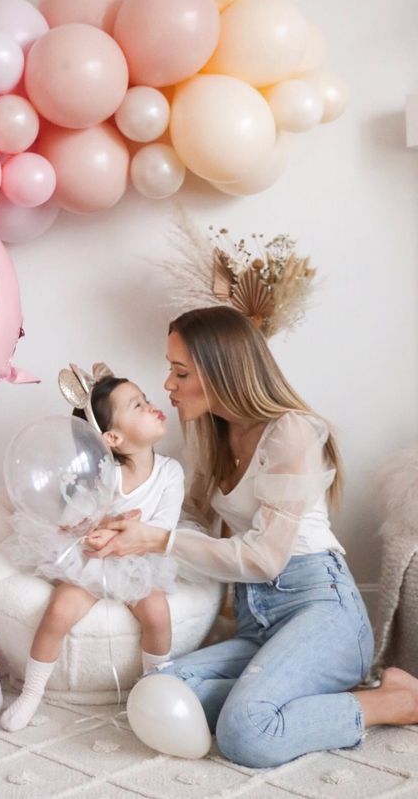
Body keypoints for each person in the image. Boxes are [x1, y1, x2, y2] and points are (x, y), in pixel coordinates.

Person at [90, 306, 418, 768]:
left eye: (180, 372)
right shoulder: (208, 431)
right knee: (160, 688)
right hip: (257, 619)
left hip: (320, 607)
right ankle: (298, 690)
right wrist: (124, 518)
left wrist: (157, 539)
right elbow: (193, 521)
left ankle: (395, 702)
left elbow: (264, 558)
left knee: (247, 734)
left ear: (223, 371)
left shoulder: (291, 432)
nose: (167, 385)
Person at [1, 366, 185, 732]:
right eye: (137, 406)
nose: (151, 406)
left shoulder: (170, 473)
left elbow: (163, 528)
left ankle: (155, 690)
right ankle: (31, 692)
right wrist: (94, 532)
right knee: (59, 611)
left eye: (145, 400)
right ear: (113, 437)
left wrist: (126, 534)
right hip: (94, 557)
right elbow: (76, 517)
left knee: (158, 614)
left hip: (140, 557)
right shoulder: (104, 473)